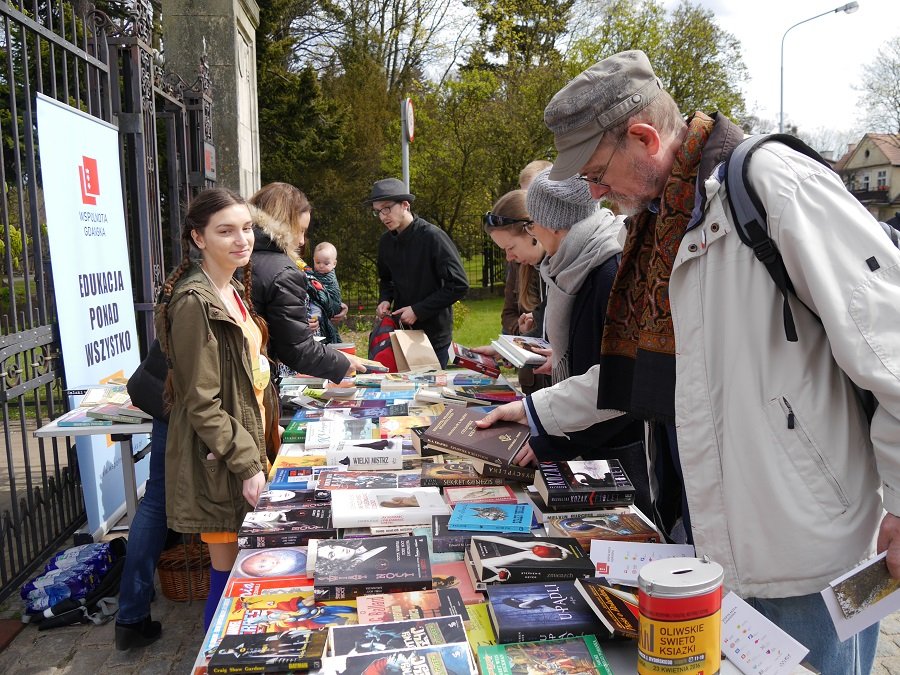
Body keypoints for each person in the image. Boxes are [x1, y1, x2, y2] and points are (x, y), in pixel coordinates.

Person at [479, 50, 900, 672]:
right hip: (705, 538)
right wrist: (537, 409)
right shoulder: (659, 224)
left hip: (805, 549)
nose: (595, 194)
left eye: (597, 175)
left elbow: (887, 345)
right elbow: (640, 374)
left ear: (644, 139)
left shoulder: (772, 184)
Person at [155, 187, 277, 631]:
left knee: (245, 575)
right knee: (228, 580)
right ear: (199, 238)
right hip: (220, 462)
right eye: (225, 231)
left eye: (246, 228)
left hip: (244, 448)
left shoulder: (230, 289)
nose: (241, 239)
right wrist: (247, 465)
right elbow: (201, 402)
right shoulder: (194, 302)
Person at [522, 168, 650, 514]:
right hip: (591, 438)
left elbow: (622, 382)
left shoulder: (608, 272)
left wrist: (549, 436)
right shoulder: (579, 264)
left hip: (617, 451)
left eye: (531, 225)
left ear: (553, 225)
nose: (532, 233)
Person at [248, 182, 367, 384]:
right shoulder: (283, 270)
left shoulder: (242, 258)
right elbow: (295, 347)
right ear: (283, 224)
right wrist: (340, 363)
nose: (302, 241)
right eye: (299, 230)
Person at [367, 178, 469, 368]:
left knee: (430, 396)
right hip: (401, 332)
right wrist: (385, 299)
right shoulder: (385, 242)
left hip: (433, 335)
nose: (382, 216)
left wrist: (418, 310)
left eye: (387, 208)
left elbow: (459, 285)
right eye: (378, 211)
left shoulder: (433, 237)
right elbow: (386, 280)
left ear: (405, 205)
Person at [114, 341, 169, 651]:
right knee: (157, 502)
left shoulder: (176, 292)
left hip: (166, 394)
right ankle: (132, 615)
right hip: (184, 398)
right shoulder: (201, 294)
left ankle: (131, 616)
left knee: (154, 501)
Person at [477, 189, 549, 394]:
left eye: (511, 247)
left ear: (532, 230)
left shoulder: (561, 270)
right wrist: (502, 350)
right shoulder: (542, 267)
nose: (509, 258)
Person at [306, 241, 343, 344]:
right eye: (318, 262)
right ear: (313, 260)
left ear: (334, 264)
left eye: (326, 263)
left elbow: (331, 296)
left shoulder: (330, 278)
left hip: (328, 308)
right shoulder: (314, 274)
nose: (321, 266)